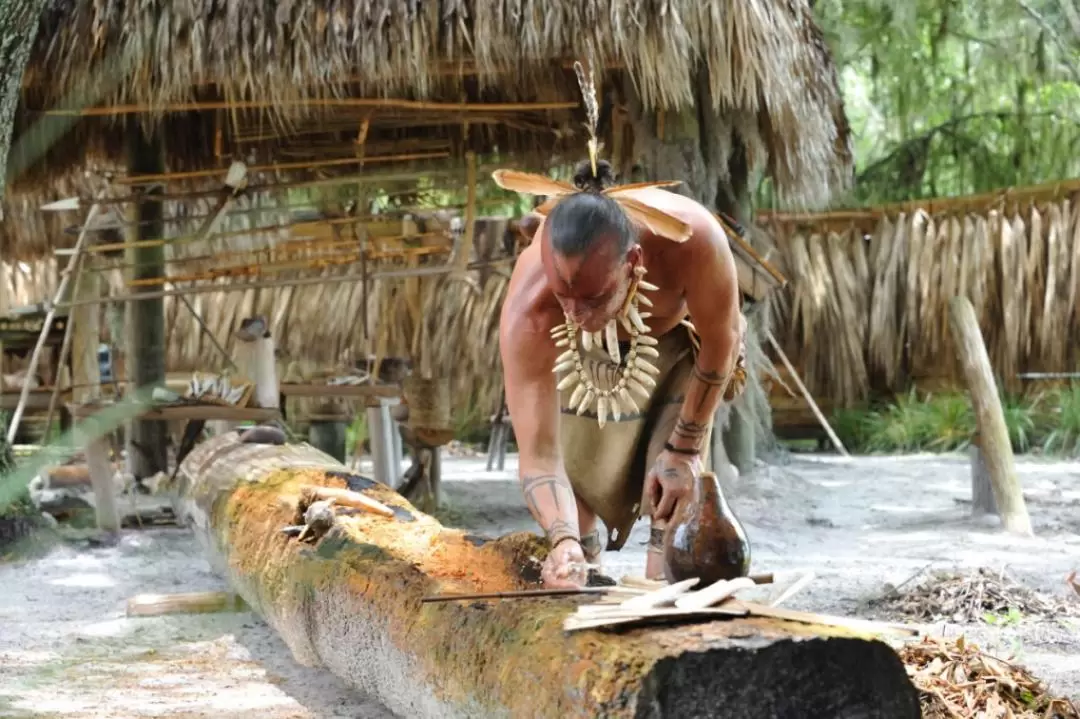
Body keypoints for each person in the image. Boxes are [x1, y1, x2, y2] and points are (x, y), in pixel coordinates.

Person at [497, 158, 748, 588]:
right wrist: (562, 541)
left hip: (673, 355)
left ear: (633, 262)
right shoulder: (532, 308)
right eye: (565, 299)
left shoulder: (694, 240)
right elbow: (538, 455)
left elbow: (721, 344)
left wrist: (685, 449)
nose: (576, 314)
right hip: (578, 365)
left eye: (592, 299)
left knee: (670, 535)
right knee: (579, 552)